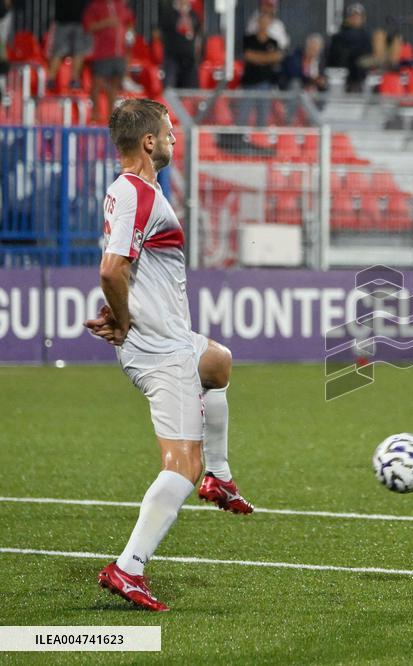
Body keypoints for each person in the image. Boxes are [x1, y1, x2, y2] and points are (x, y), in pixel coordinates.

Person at [85, 98, 254, 612]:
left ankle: (219, 478)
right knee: (180, 464)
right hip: (161, 349)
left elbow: (124, 271)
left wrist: (120, 312)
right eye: (170, 131)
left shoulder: (134, 190)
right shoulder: (135, 191)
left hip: (172, 339)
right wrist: (125, 317)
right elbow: (112, 270)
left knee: (219, 362)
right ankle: (128, 567)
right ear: (150, 142)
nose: (176, 138)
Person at [82, 0, 134, 123]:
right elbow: (89, 27)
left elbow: (129, 21)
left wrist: (129, 34)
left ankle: (111, 117)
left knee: (115, 86)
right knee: (97, 83)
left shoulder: (120, 5)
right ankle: (95, 114)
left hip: (119, 52)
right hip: (102, 52)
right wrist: (106, 23)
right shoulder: (95, 6)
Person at [237, 10, 282, 127]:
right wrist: (267, 58)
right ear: (257, 22)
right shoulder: (249, 39)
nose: (264, 24)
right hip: (249, 82)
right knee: (243, 114)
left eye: (266, 21)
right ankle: (238, 139)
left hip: (265, 83)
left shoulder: (273, 42)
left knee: (263, 115)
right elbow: (248, 56)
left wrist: (258, 57)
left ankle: (260, 140)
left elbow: (276, 57)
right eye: (261, 21)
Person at [327, 3, 373, 93]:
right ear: (347, 18)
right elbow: (334, 58)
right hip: (340, 78)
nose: (355, 19)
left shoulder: (367, 38)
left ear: (363, 19)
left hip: (362, 80)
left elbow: (369, 57)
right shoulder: (338, 37)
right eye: (352, 16)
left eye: (358, 16)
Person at [47, 0, 92, 92]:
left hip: (63, 18)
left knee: (59, 51)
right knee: (78, 52)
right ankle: (74, 80)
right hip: (79, 18)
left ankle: (50, 79)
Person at [156, 0, 201, 89]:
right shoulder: (168, 13)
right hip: (172, 57)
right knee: (169, 89)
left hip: (189, 59)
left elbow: (196, 33)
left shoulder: (193, 15)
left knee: (191, 90)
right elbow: (162, 30)